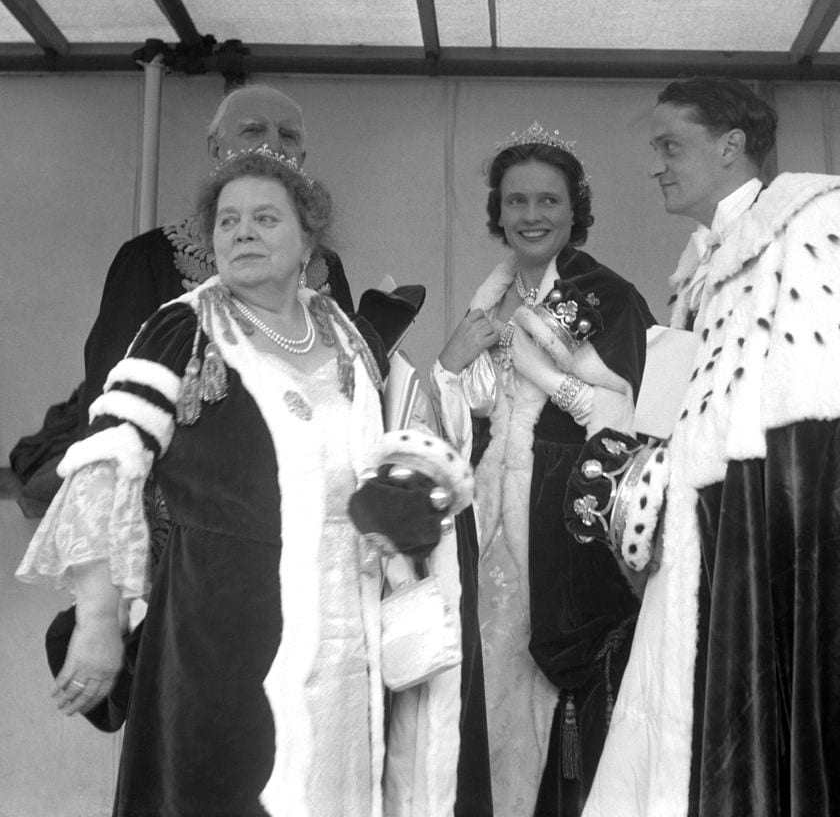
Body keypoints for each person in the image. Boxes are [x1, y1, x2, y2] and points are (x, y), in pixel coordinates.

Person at [567, 76, 840, 816]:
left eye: (670, 145)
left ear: (730, 146)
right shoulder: (703, 266)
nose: (655, 165)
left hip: (787, 572)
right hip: (710, 563)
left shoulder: (821, 226)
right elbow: (692, 426)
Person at [17, 147, 472, 817]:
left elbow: (379, 453)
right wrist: (97, 620)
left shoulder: (343, 333)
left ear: (308, 238)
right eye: (227, 221)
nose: (242, 233)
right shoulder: (181, 328)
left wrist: (402, 492)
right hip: (224, 639)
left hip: (349, 639)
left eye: (265, 217)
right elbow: (103, 466)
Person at [430, 123, 656, 816]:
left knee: (570, 703)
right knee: (489, 693)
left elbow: (637, 421)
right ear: (497, 211)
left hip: (568, 528)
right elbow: (456, 427)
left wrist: (552, 382)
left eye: (548, 202)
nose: (531, 216)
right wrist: (449, 364)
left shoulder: (606, 298)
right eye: (517, 201)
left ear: (574, 209)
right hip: (490, 531)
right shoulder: (486, 305)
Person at [14, 83, 353, 510]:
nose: (272, 145)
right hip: (182, 522)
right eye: (253, 129)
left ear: (302, 157)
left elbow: (351, 393)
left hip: (308, 512)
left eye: (289, 135)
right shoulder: (148, 259)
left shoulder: (326, 267)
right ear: (215, 148)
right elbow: (111, 408)